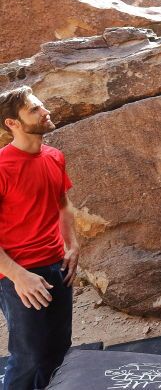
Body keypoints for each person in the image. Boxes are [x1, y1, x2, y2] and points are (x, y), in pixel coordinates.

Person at [0, 86, 79, 390]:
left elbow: (63, 205)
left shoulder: (55, 156)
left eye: (41, 105)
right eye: (34, 109)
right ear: (12, 123)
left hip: (57, 266)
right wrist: (19, 276)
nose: (45, 111)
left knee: (59, 352)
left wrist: (72, 246)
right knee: (29, 357)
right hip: (17, 274)